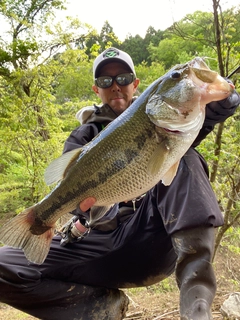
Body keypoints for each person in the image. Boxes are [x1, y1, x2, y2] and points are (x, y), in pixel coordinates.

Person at [0, 47, 239, 320]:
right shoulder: (84, 136)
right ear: (96, 89)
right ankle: (98, 308)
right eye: (105, 81)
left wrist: (215, 108)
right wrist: (83, 210)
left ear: (135, 84)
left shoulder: (164, 121)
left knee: (186, 156)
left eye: (123, 78)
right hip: (97, 244)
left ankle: (197, 309)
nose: (115, 86)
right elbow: (71, 191)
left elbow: (187, 128)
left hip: (148, 238)